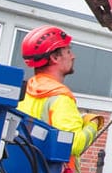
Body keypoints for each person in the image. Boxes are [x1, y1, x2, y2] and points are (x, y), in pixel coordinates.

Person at [16, 25, 101, 165]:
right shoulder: (60, 98)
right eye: (68, 52)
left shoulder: (25, 91)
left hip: (26, 172)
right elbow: (74, 144)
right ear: (55, 57)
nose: (73, 56)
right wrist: (93, 123)